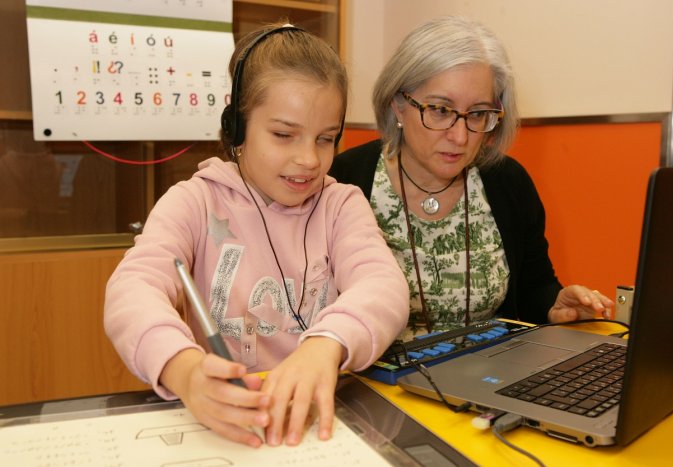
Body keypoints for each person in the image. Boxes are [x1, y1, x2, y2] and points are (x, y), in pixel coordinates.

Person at [104, 23, 408, 449]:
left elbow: (384, 284)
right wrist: (184, 369)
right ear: (237, 127)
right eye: (284, 135)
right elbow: (131, 290)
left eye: (326, 139)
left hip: (319, 425)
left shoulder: (341, 205)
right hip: (227, 427)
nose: (308, 159)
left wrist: (326, 344)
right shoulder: (194, 201)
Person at [329, 16, 612, 341]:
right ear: (397, 104)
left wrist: (554, 306)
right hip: (380, 381)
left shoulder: (508, 182)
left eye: (477, 113)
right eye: (440, 109)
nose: (460, 137)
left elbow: (535, 288)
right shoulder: (346, 180)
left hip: (490, 380)